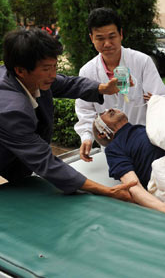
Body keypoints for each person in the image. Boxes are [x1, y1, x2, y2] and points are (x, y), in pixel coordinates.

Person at [0, 28, 135, 201]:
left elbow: (69, 84)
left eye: (55, 66)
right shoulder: (11, 110)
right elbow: (46, 162)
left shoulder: (28, 76)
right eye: (47, 69)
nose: (53, 74)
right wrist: (106, 191)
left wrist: (104, 89)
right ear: (20, 70)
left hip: (15, 163)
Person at [75, 7, 165, 162]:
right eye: (100, 38)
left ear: (121, 34)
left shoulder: (141, 62)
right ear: (91, 38)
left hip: (145, 144)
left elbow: (162, 99)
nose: (107, 44)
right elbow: (85, 111)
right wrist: (86, 138)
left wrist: (158, 101)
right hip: (112, 150)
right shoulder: (87, 71)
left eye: (112, 36)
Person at [93, 109, 165, 217]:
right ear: (102, 134)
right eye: (102, 114)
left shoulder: (145, 128)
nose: (109, 109)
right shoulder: (113, 148)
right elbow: (133, 187)